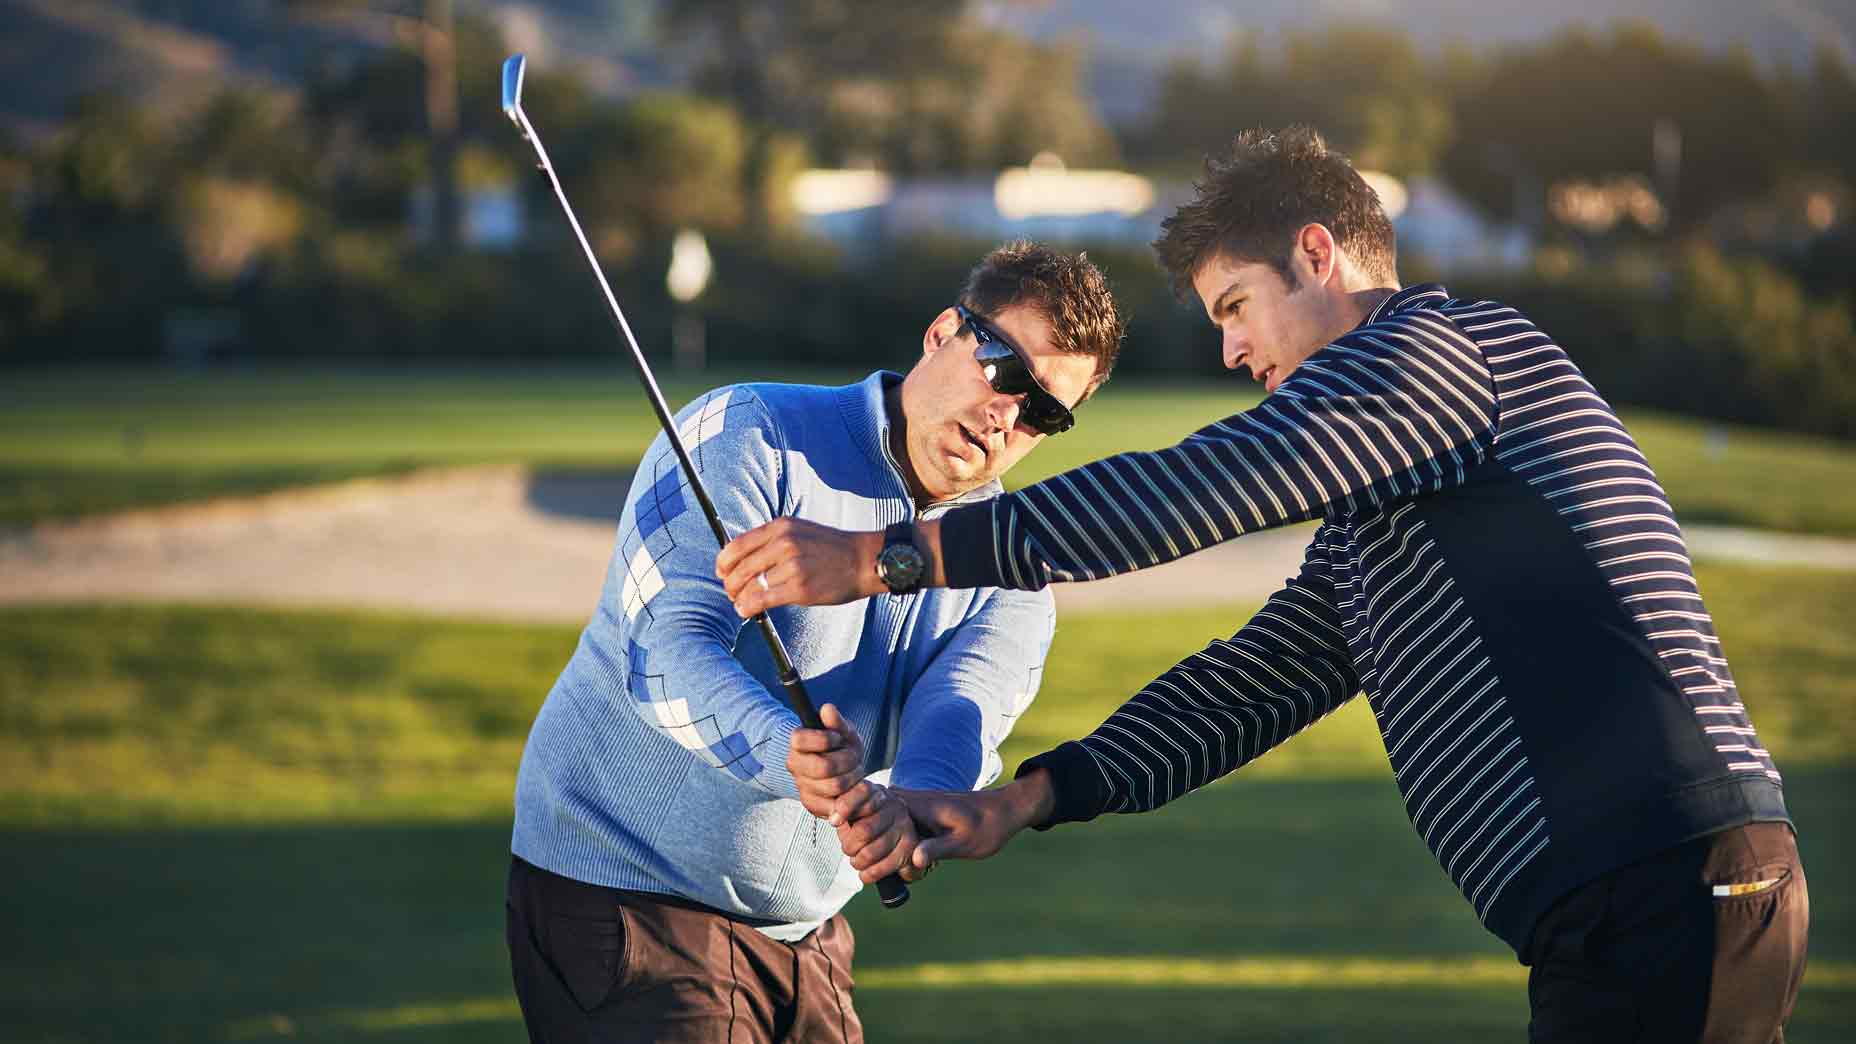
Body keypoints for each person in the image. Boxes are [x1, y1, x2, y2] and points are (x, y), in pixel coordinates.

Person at [718, 128, 1809, 1042]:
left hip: (1665, 880)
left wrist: (882, 559)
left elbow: (1204, 485)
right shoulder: (1394, 494)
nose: (1234, 351)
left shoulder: (1443, 354)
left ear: (1319, 252)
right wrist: (1018, 801)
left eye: (1236, 306)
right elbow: (1252, 684)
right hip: (1628, 904)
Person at [504, 241, 1125, 1043]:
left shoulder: (1012, 565)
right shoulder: (751, 434)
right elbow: (661, 653)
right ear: (942, 334)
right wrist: (787, 756)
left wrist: (912, 808)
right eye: (1002, 368)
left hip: (809, 928)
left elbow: (960, 715)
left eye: (1043, 411)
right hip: (626, 892)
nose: (1007, 413)